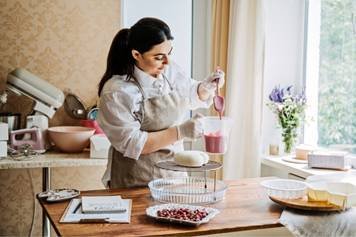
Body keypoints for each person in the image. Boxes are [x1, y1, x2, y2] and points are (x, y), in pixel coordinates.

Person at [97, 17, 224, 188]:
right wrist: (180, 131)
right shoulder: (117, 92)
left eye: (169, 53)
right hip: (134, 181)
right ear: (136, 55)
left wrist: (207, 86)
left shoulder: (168, 71)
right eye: (158, 57)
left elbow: (191, 93)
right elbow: (134, 143)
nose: (167, 62)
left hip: (174, 176)